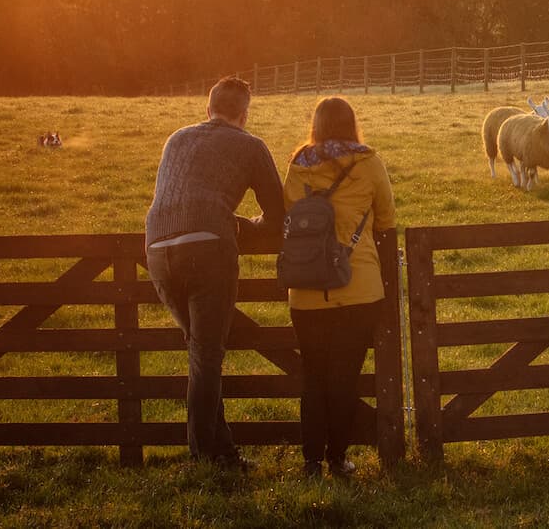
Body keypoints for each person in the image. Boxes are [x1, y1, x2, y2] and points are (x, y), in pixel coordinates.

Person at [145, 75, 285, 468]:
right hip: (207, 248)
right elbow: (278, 216)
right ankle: (205, 455)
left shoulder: (176, 138)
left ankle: (220, 452)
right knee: (206, 356)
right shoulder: (250, 145)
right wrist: (246, 226)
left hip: (156, 248)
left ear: (207, 110)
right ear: (244, 114)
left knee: (200, 354)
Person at [282, 97, 395, 479]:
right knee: (344, 378)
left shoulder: (298, 165)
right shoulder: (369, 162)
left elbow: (286, 217)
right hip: (358, 288)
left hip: (306, 290)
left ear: (315, 124)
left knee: (312, 377)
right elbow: (387, 221)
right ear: (352, 124)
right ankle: (338, 459)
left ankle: (311, 461)